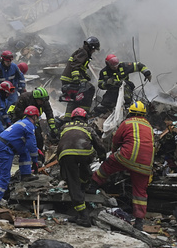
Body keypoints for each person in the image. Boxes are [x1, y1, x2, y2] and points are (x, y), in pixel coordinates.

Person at [91, 102, 155, 230]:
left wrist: (114, 152)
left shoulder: (127, 123)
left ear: (130, 112)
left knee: (107, 166)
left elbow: (116, 139)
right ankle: (139, 221)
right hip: (145, 164)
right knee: (140, 193)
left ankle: (92, 186)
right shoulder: (149, 126)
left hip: (127, 157)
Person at [56, 108, 107, 227]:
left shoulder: (64, 127)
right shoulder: (88, 127)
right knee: (83, 166)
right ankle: (85, 184)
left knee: (73, 182)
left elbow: (59, 140)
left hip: (66, 154)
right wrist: (102, 156)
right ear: (85, 118)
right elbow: (98, 144)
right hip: (85, 154)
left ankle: (83, 214)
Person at [0, 106, 40, 205]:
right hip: (5, 148)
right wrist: (35, 160)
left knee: (25, 151)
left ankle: (26, 174)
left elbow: (28, 144)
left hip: (3, 144)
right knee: (5, 176)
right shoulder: (29, 126)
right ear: (35, 117)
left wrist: (37, 151)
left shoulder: (23, 122)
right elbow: (31, 144)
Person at [7, 86, 59, 159]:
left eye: (44, 101)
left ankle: (38, 156)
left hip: (33, 119)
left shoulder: (44, 102)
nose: (42, 103)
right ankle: (17, 152)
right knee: (22, 135)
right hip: (19, 117)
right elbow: (18, 112)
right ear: (36, 99)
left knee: (39, 137)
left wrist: (53, 128)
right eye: (41, 101)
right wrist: (31, 123)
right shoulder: (25, 98)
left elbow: (49, 114)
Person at [60, 36, 100, 113]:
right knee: (88, 90)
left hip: (68, 79)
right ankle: (84, 112)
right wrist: (76, 78)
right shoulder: (83, 52)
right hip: (70, 79)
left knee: (74, 99)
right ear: (91, 47)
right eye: (94, 49)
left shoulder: (83, 52)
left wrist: (85, 76)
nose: (94, 51)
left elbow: (80, 67)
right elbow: (75, 65)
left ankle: (72, 115)